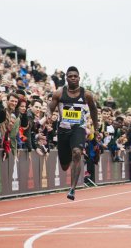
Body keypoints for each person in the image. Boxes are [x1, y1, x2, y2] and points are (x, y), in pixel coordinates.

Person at [46, 66, 99, 200]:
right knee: (64, 166)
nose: (73, 78)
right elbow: (50, 107)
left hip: (78, 128)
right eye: (71, 76)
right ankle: (69, 158)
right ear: (67, 78)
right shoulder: (59, 93)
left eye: (75, 76)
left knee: (77, 152)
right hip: (63, 130)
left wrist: (96, 127)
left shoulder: (86, 94)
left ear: (79, 78)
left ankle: (72, 189)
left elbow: (94, 110)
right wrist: (48, 115)